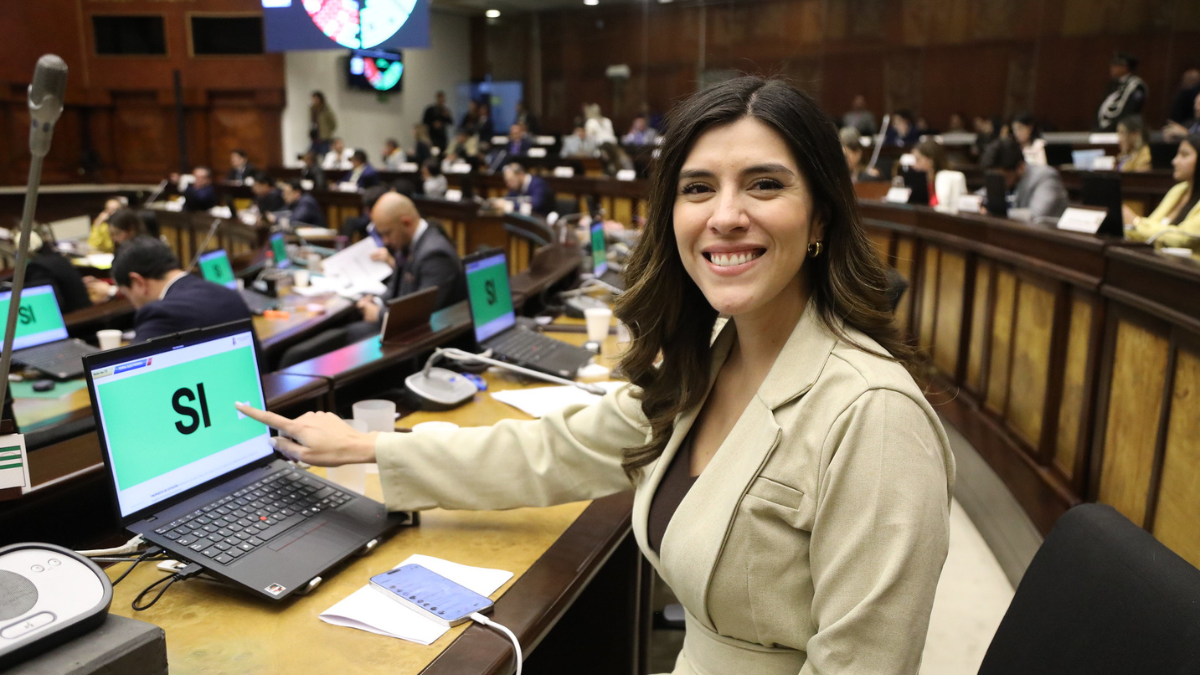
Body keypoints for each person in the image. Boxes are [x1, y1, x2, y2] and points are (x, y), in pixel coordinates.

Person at [238, 76, 954, 675]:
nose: (726, 216)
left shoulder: (875, 417)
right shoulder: (711, 352)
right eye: (698, 188)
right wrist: (366, 447)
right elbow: (554, 449)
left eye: (764, 184)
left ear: (821, 215)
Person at [277, 193, 466, 367]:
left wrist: (379, 314)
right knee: (308, 346)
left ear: (406, 223)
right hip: (396, 332)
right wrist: (376, 301)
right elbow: (396, 289)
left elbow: (419, 317)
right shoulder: (410, 242)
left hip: (414, 347)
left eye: (387, 233)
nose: (385, 241)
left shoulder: (434, 254)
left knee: (302, 355)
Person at [113, 236, 251, 343]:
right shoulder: (228, 294)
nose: (133, 303)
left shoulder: (160, 314)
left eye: (127, 294)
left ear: (138, 282)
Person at [1123, 134, 1200, 253]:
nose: (1174, 161)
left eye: (1184, 155)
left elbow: (1182, 238)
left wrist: (1135, 222)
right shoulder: (1178, 190)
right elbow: (1152, 224)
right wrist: (1128, 225)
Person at [988, 138, 1069, 220]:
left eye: (1003, 177)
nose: (999, 182)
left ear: (1020, 167)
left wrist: (995, 213)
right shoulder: (1011, 178)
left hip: (1048, 227)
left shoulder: (1046, 177)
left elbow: (1035, 215)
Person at [20, 229, 91, 314]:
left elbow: (48, 305)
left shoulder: (37, 268)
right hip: (85, 313)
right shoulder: (60, 259)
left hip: (72, 319)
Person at [1096, 52, 1147, 132]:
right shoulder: (1113, 85)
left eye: (1116, 65)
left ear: (1125, 67)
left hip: (1122, 130)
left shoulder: (1136, 86)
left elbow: (1130, 111)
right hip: (1103, 128)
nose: (1112, 68)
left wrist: (1112, 127)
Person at [912, 138, 967, 209]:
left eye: (918, 160)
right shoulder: (921, 181)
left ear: (931, 160)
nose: (915, 165)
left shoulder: (946, 179)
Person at [310, 91, 337, 156]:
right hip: (315, 136)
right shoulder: (313, 109)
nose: (314, 101)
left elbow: (333, 123)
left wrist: (327, 132)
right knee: (311, 154)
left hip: (324, 137)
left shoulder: (326, 110)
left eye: (316, 99)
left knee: (325, 154)